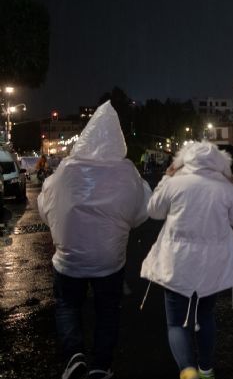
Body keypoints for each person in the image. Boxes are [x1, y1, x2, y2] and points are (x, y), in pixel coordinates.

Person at [37, 101, 151, 379]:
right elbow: (141, 209)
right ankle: (101, 365)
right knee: (108, 310)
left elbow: (45, 206)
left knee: (67, 305)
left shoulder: (65, 170)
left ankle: (74, 355)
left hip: (68, 258)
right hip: (109, 259)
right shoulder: (127, 172)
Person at [140, 141, 233, 379]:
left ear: (184, 160)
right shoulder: (225, 186)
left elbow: (154, 211)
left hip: (177, 262)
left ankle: (187, 369)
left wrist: (166, 179)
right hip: (212, 264)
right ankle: (206, 367)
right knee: (206, 315)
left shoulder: (175, 182)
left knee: (177, 322)